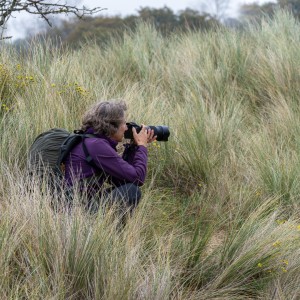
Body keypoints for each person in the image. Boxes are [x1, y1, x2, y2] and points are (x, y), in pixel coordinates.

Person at [64, 100, 156, 213]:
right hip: (76, 210)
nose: (126, 128)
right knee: (131, 192)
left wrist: (133, 146)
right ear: (111, 126)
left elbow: (122, 180)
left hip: (77, 204)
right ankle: (117, 231)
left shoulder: (91, 141)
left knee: (128, 189)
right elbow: (138, 178)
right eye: (124, 123)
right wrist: (142, 146)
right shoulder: (97, 146)